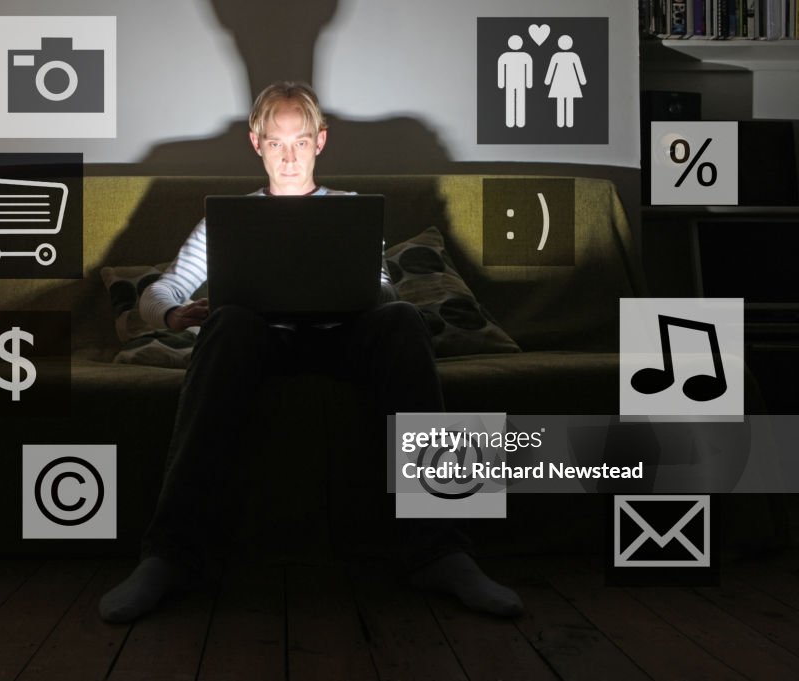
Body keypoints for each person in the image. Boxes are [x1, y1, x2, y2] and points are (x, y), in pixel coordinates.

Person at [99, 81, 523, 623]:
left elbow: (384, 287)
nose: (289, 155)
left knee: (402, 319)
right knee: (226, 323)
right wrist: (172, 315)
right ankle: (169, 556)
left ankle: (443, 552)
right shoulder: (227, 221)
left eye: (300, 141)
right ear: (256, 144)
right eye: (276, 143)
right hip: (259, 345)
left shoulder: (348, 211)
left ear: (321, 141)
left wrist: (366, 292)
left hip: (343, 338)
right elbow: (163, 289)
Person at [544, 35, 586, 128]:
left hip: (559, 83)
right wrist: (582, 81)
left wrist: (548, 81)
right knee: (568, 102)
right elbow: (579, 70)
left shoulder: (557, 56)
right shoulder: (573, 56)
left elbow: (551, 70)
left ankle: (561, 122)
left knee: (562, 102)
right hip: (570, 83)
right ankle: (568, 122)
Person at [497, 35, 533, 129]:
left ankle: (518, 121)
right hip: (513, 82)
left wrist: (529, 83)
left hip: (517, 82)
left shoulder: (507, 56)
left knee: (516, 100)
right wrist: (501, 83)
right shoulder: (524, 56)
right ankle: (512, 121)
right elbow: (501, 70)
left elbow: (528, 70)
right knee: (513, 100)